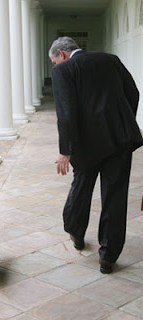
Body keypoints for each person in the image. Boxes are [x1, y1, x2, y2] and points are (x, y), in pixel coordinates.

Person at [49, 36, 143, 274]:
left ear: (61, 53)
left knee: (81, 187)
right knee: (115, 195)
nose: (54, 66)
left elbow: (66, 113)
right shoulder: (110, 60)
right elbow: (133, 93)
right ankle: (108, 257)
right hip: (118, 140)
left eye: (54, 61)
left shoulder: (63, 70)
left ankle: (76, 233)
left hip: (85, 144)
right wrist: (122, 121)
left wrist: (65, 151)